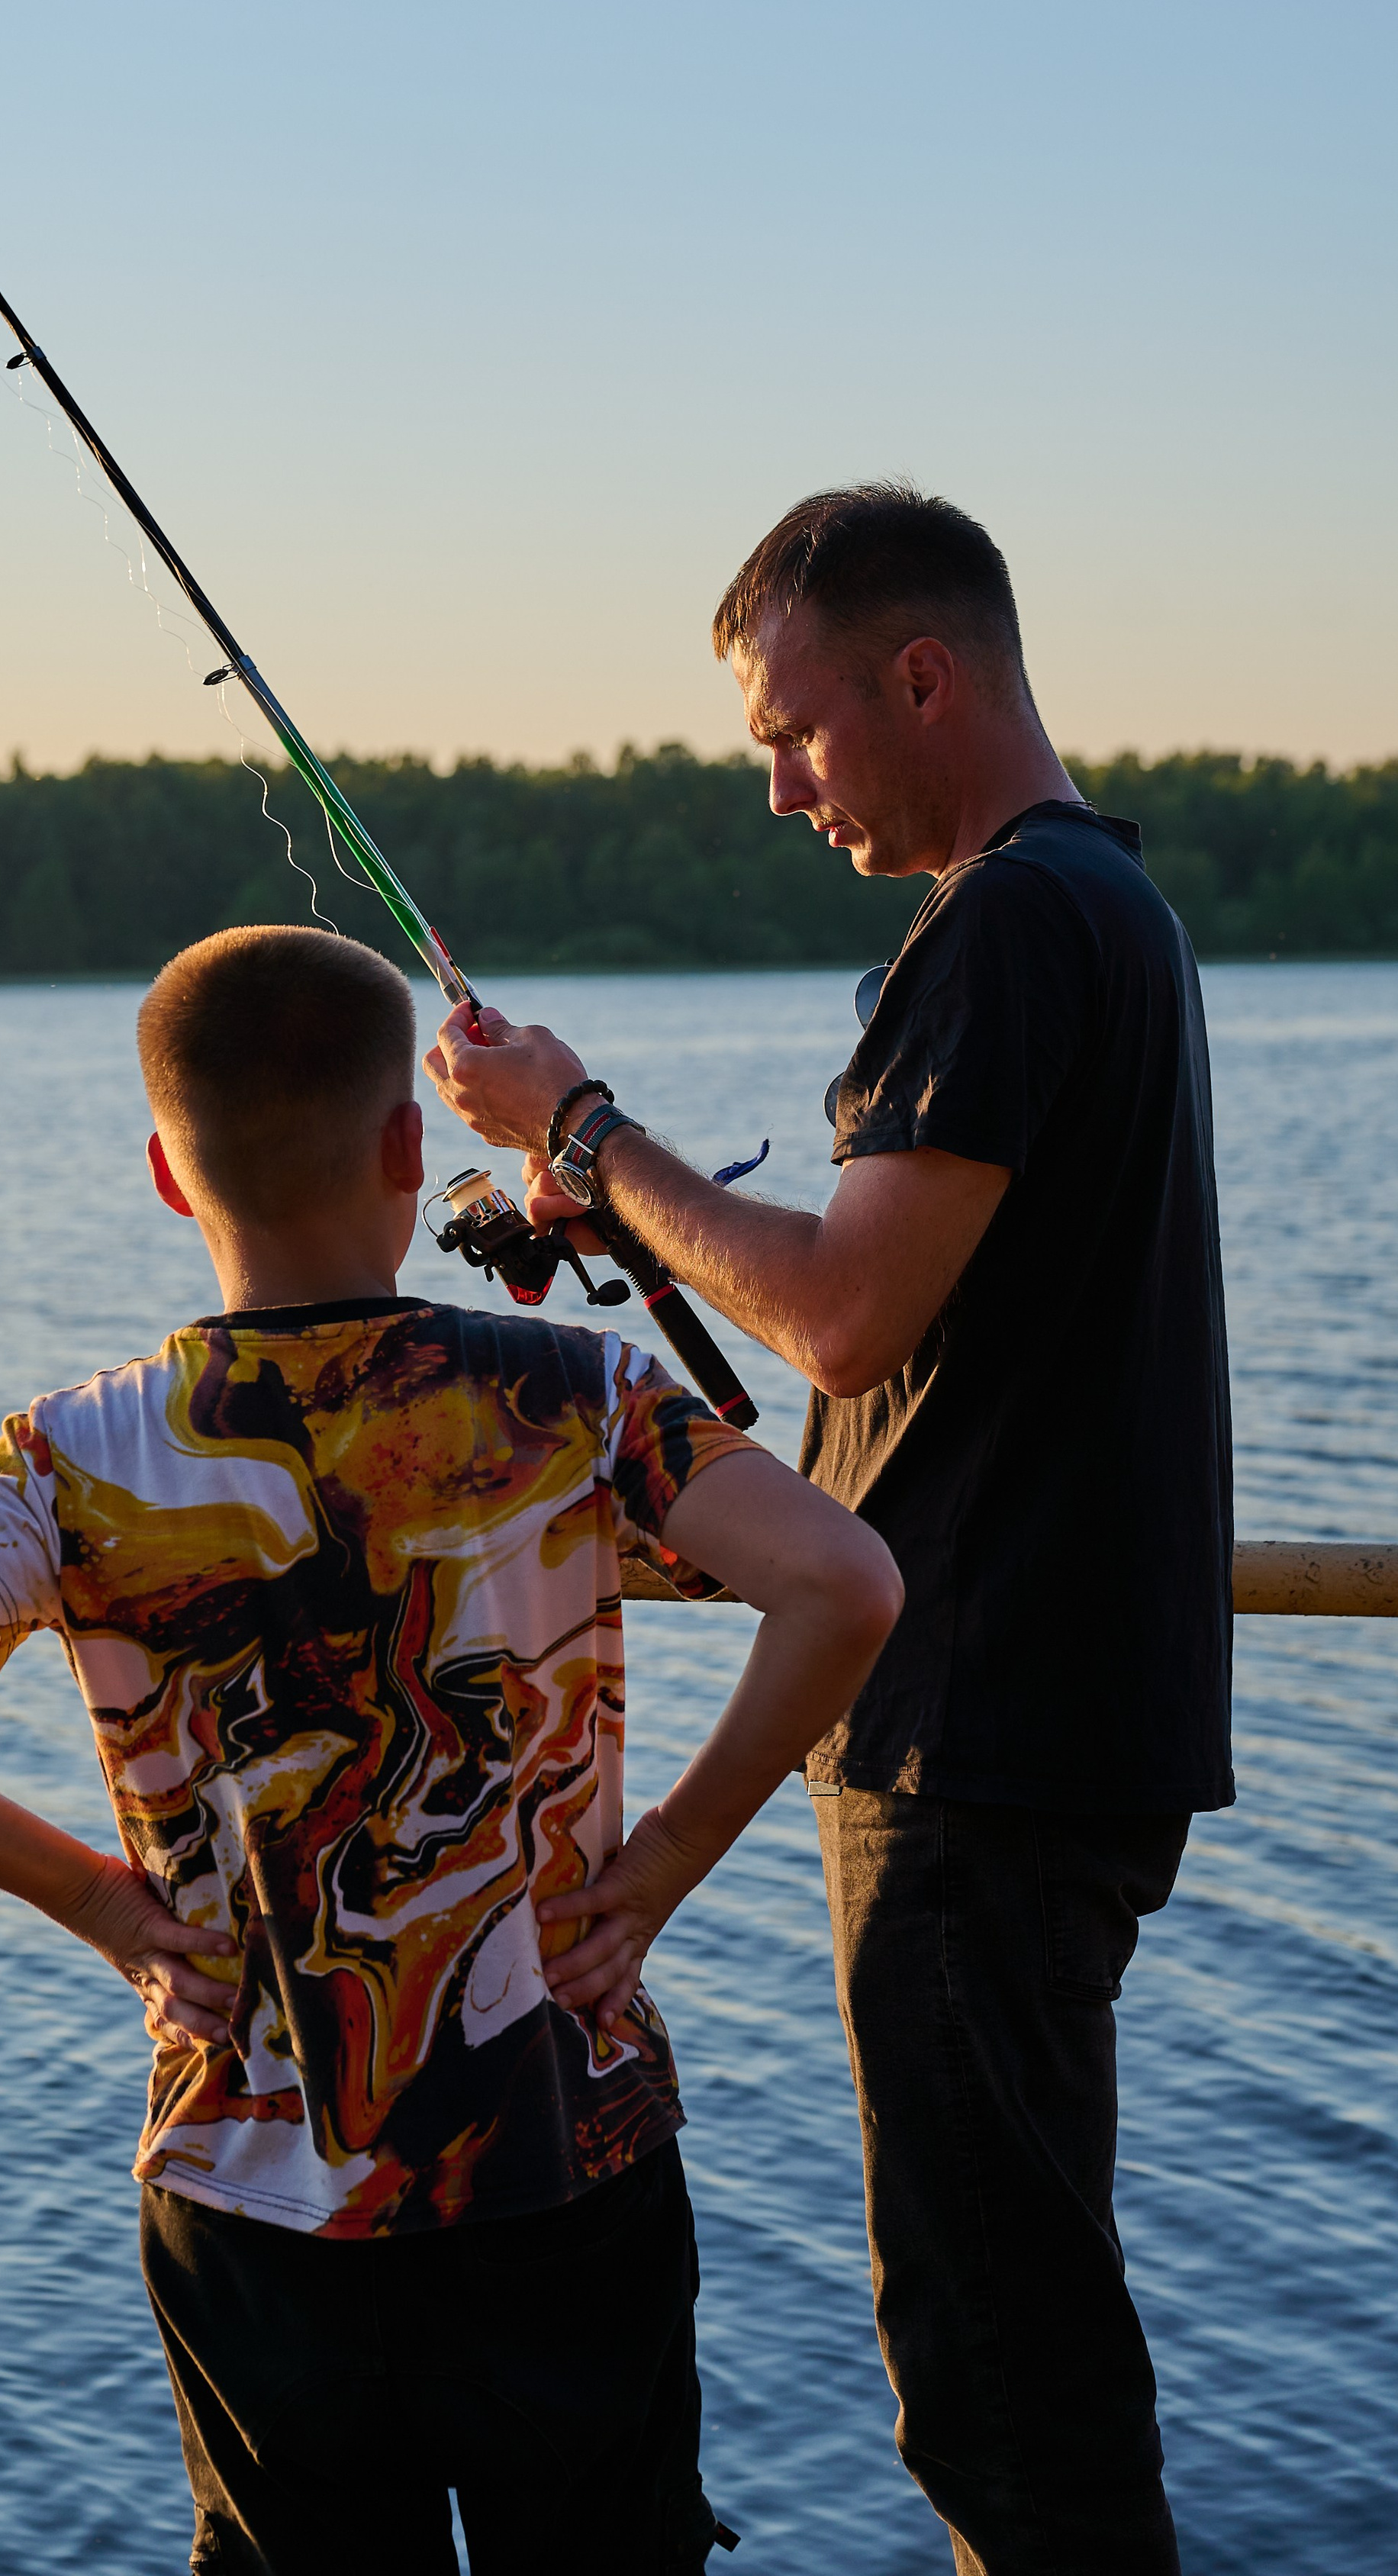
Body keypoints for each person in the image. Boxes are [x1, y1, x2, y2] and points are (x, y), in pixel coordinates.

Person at [0, 922, 902, 2576]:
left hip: (248, 2184)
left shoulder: (73, 1457)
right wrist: (659, 1862)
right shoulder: (568, 1394)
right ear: (408, 1145)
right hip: (558, 2151)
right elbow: (843, 1579)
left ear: (167, 1171)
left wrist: (98, 1904)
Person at [425, 485, 1234, 2576]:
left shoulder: (1007, 925)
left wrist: (589, 1135)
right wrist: (597, 1205)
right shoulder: (1107, 911)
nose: (777, 785)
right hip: (1052, 1722)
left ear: (921, 675)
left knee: (1002, 2388)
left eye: (791, 731)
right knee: (1018, 2344)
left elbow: (851, 1303)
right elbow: (925, 1338)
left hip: (979, 1743)